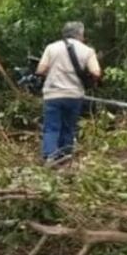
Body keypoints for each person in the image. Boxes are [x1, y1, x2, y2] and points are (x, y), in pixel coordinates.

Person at [35, 21, 101, 163]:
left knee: (52, 126)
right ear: (80, 34)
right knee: (69, 126)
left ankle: (50, 156)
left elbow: (40, 70)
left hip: (52, 94)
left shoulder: (51, 48)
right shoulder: (88, 51)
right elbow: (96, 72)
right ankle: (66, 155)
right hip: (74, 94)